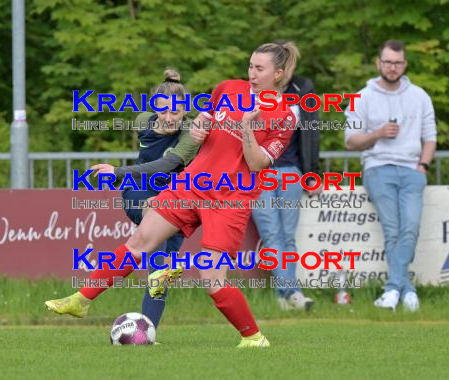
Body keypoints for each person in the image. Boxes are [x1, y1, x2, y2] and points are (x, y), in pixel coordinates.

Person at [45, 40, 300, 348]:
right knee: (140, 241)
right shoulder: (227, 89)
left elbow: (257, 162)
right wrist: (200, 128)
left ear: (279, 73)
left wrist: (246, 128)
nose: (252, 73)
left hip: (230, 198)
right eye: (250, 65)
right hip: (193, 184)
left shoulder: (285, 117)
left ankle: (253, 337)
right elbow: (201, 126)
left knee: (212, 280)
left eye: (260, 68)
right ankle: (81, 300)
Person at [90, 69, 200, 329]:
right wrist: (121, 176)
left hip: (174, 200)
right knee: (153, 211)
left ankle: (148, 330)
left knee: (159, 272)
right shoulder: (142, 120)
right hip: (138, 190)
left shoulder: (192, 132)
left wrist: (117, 171)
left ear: (186, 109)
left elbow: (167, 164)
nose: (168, 117)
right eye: (163, 111)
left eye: (175, 112)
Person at [344, 40, 437, 312]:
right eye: (387, 62)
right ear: (378, 63)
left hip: (412, 170)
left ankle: (395, 290)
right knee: (393, 229)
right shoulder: (363, 96)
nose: (392, 67)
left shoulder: (419, 96)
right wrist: (377, 134)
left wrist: (424, 166)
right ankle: (405, 290)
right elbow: (350, 141)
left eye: (397, 63)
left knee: (410, 228)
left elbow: (430, 137)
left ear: (404, 65)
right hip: (378, 168)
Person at [251, 40, 321, 311]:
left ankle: (283, 296)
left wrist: (312, 173)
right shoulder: (253, 91)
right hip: (260, 173)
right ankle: (292, 292)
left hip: (291, 170)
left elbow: (311, 134)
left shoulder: (303, 89)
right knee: (271, 234)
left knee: (288, 236)